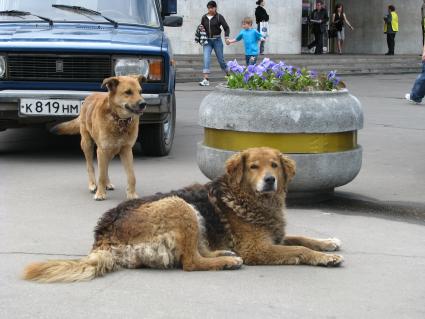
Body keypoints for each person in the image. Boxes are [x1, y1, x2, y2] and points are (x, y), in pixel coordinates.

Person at [199, 1, 230, 86]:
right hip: (207, 41)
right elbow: (201, 27)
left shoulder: (219, 17)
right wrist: (200, 35)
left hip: (217, 40)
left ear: (215, 8)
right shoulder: (204, 17)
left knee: (221, 60)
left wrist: (226, 37)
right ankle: (206, 79)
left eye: (212, 8)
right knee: (206, 58)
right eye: (209, 8)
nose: (210, 9)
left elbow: (226, 28)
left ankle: (229, 76)